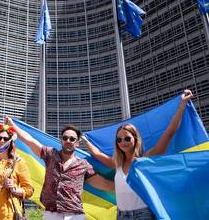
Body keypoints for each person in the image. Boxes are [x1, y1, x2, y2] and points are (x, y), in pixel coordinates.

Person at [81, 90, 193, 220]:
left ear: (135, 139)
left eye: (127, 138)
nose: (123, 142)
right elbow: (97, 153)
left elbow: (169, 133)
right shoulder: (116, 163)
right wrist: (84, 139)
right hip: (121, 215)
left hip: (143, 214)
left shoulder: (145, 160)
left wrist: (182, 106)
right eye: (119, 139)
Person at [6, 116, 114, 220]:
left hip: (75, 215)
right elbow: (29, 141)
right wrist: (12, 125)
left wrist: (127, 186)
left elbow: (105, 184)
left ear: (76, 143)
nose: (68, 141)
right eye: (65, 138)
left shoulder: (84, 165)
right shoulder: (50, 154)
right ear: (61, 140)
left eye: (72, 139)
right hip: (51, 214)